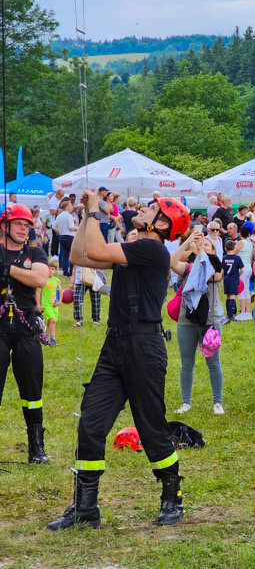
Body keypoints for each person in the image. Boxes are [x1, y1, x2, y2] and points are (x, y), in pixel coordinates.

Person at [49, 193, 190, 530]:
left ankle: (173, 496)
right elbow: (78, 255)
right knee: (91, 423)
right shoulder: (134, 248)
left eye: (151, 208)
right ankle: (85, 508)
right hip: (115, 346)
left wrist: (97, 210)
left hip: (144, 347)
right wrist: (86, 214)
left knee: (152, 428)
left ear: (161, 224)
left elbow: (95, 251)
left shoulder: (152, 248)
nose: (142, 208)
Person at [0, 204, 50, 464]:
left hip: (26, 325)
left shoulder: (35, 252)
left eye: (27, 224)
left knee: (32, 390)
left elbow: (40, 279)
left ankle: (36, 447)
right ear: (4, 225)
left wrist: (8, 270)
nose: (24, 228)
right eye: (18, 223)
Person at [171, 233, 225, 415]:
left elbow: (209, 274)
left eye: (208, 244)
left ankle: (218, 402)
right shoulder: (188, 268)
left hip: (210, 322)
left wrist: (201, 251)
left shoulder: (217, 267)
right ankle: (186, 402)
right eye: (201, 243)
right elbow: (171, 263)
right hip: (187, 320)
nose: (203, 245)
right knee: (187, 364)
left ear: (214, 250)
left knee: (213, 363)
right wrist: (187, 243)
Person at [37, 258, 62, 346]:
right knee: (53, 320)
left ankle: (46, 336)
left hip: (54, 305)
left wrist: (59, 301)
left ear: (55, 270)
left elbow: (60, 291)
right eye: (49, 269)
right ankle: (53, 339)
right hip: (46, 304)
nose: (50, 271)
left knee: (50, 321)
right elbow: (38, 292)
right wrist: (38, 304)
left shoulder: (57, 280)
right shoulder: (43, 280)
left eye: (53, 269)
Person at [222, 239, 244, 322]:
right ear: (234, 247)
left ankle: (228, 314)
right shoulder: (237, 258)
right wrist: (238, 276)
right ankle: (231, 316)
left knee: (227, 296)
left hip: (226, 279)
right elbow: (242, 270)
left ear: (225, 248)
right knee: (232, 297)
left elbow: (222, 269)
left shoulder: (224, 258)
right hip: (234, 279)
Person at [235, 225, 254, 320]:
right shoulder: (250, 243)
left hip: (241, 269)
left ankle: (243, 312)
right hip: (248, 268)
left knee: (241, 291)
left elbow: (233, 252)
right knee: (246, 290)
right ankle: (248, 312)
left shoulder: (240, 242)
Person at [55, 200, 78, 277]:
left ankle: (65, 272)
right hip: (69, 236)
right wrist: (77, 228)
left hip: (62, 236)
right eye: (71, 206)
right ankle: (71, 272)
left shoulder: (59, 215)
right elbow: (71, 228)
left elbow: (54, 226)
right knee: (73, 254)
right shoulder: (68, 216)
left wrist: (60, 231)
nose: (72, 207)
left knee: (65, 254)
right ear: (67, 207)